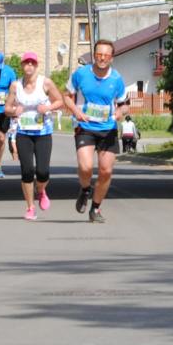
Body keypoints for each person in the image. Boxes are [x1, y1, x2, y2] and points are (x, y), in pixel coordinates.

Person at [68, 39, 130, 223]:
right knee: (86, 167)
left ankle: (95, 208)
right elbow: (67, 97)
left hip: (107, 129)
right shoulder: (81, 74)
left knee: (106, 171)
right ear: (94, 56)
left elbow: (125, 105)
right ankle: (85, 189)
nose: (102, 58)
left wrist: (119, 112)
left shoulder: (116, 79)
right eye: (99, 54)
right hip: (85, 127)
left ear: (112, 58)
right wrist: (76, 112)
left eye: (106, 55)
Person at [8, 52, 66, 221]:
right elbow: (6, 108)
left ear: (36, 65)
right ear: (22, 65)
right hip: (23, 133)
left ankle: (40, 190)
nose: (29, 66)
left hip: (43, 133)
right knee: (27, 171)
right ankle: (30, 207)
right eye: (26, 63)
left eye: (32, 63)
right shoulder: (15, 86)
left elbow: (60, 101)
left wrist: (47, 108)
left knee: (43, 171)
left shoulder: (45, 83)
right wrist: (14, 110)